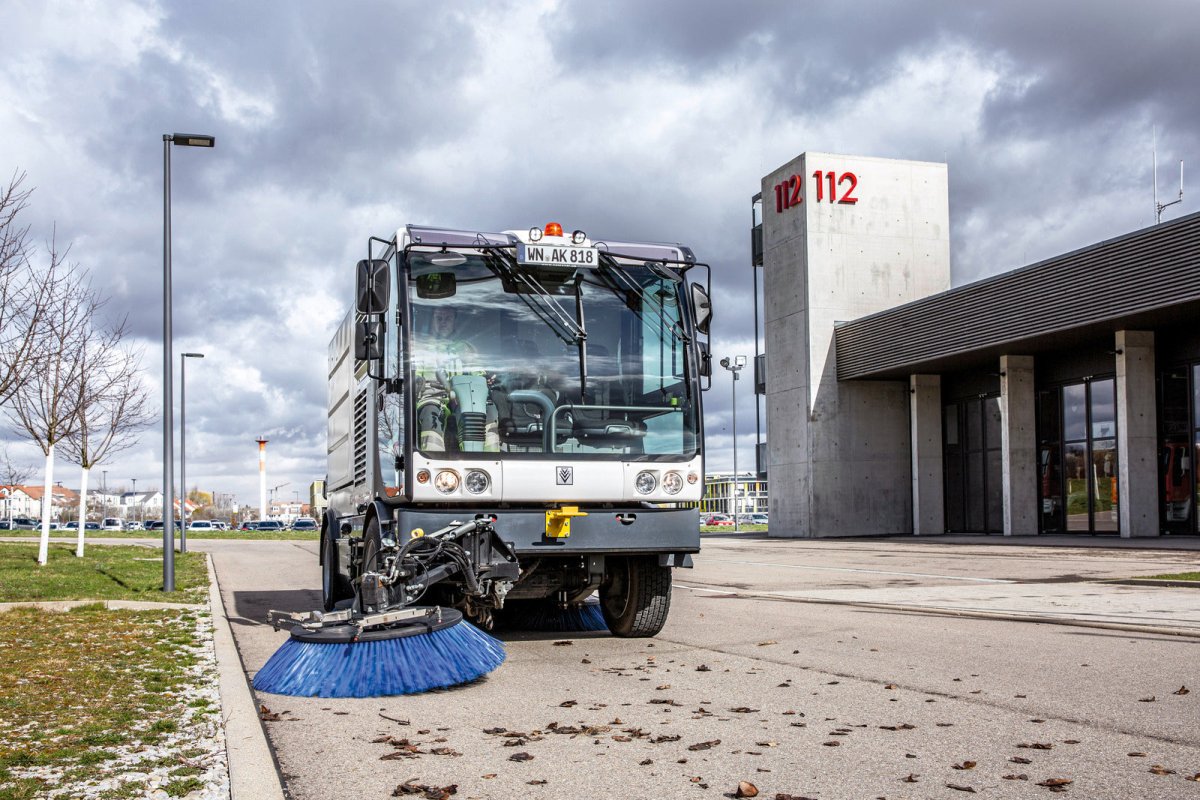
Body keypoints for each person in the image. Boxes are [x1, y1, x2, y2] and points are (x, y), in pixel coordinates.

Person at [414, 305, 497, 452]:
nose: (443, 322)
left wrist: (485, 377)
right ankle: (433, 460)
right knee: (430, 414)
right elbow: (415, 372)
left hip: (464, 395)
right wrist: (416, 381)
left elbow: (477, 370)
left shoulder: (466, 347)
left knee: (488, 411)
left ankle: (490, 459)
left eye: (448, 318)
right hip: (433, 395)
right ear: (432, 321)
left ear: (454, 321)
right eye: (439, 318)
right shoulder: (423, 348)